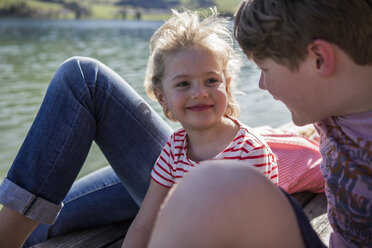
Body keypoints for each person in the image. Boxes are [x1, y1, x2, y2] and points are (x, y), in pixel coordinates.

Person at [0, 7, 324, 248]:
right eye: (183, 84)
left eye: (211, 81)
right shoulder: (174, 149)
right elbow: (144, 223)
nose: (199, 92)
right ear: (162, 99)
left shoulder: (250, 153)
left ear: (227, 84)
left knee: (83, 77)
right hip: (176, 210)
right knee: (39, 232)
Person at [147, 1, 372, 248]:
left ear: (318, 59)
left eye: (264, 69)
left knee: (206, 181)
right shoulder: (331, 109)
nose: (262, 84)